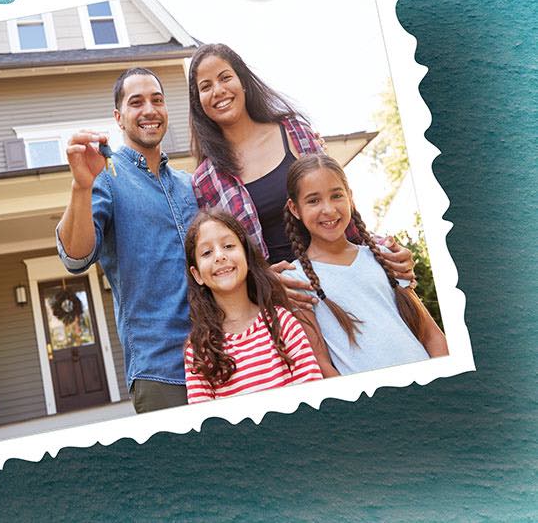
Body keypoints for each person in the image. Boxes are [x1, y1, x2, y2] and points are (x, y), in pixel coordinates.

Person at [187, 43, 416, 281]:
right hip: (281, 299)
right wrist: (263, 281)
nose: (218, 90)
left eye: (225, 78)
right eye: (206, 86)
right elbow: (221, 255)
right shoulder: (205, 179)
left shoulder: (294, 132)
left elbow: (340, 206)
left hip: (339, 275)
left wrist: (383, 250)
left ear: (242, 81)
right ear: (198, 101)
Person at [57, 67, 197, 412]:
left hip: (220, 355)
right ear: (119, 118)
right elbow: (75, 257)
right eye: (137, 102)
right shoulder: (106, 178)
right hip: (161, 370)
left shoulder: (188, 184)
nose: (149, 110)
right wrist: (81, 186)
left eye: (157, 100)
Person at [282, 154, 448, 375]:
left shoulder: (384, 257)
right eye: (313, 200)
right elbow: (321, 364)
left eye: (336, 196)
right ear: (295, 209)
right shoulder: (296, 280)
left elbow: (431, 334)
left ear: (350, 197)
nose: (329, 209)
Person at [183, 209, 324, 403]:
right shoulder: (199, 348)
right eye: (207, 252)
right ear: (197, 274)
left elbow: (312, 394)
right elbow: (205, 424)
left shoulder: (282, 323)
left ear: (247, 258)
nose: (219, 256)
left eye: (228, 246)